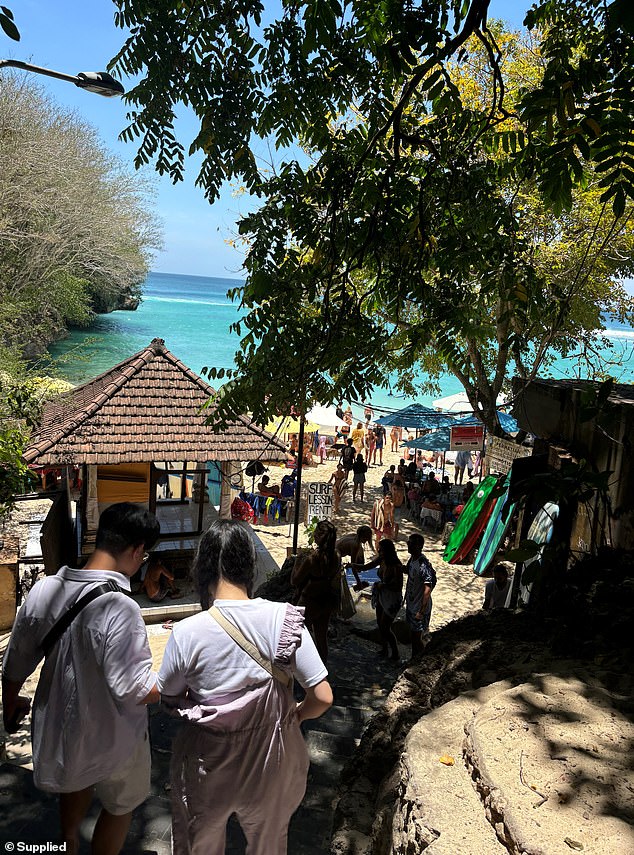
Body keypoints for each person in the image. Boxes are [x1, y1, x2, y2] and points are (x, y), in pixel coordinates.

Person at [159, 519, 333, 855]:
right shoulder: (285, 619)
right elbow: (322, 696)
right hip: (271, 763)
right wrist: (295, 716)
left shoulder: (187, 632)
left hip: (207, 767)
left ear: (203, 569)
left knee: (201, 846)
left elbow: (168, 694)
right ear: (250, 565)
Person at [2, 502, 161, 855]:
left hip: (63, 728)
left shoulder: (46, 590)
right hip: (116, 740)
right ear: (137, 551)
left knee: (74, 780)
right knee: (120, 806)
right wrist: (172, 679)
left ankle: (68, 843)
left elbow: (14, 665)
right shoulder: (121, 607)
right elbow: (133, 687)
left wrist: (9, 705)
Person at [292, 519, 341, 663]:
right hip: (326, 600)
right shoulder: (336, 556)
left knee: (298, 637)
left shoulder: (312, 559)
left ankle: (299, 670)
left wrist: (297, 561)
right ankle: (322, 671)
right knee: (321, 639)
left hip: (309, 601)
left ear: (319, 536)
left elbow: (294, 580)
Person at [366, 539, 404, 661]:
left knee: (385, 627)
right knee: (380, 624)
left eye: (381, 550)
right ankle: (384, 649)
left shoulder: (396, 566)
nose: (379, 552)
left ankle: (395, 653)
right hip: (382, 595)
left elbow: (398, 586)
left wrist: (384, 585)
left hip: (392, 598)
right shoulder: (381, 559)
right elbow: (369, 566)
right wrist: (355, 566)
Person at [404, 533, 437, 658]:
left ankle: (422, 661)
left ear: (419, 546)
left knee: (418, 639)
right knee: (413, 638)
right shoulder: (412, 559)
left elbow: (428, 590)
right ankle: (414, 660)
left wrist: (421, 611)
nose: (408, 545)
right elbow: (408, 570)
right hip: (412, 605)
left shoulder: (424, 565)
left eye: (410, 543)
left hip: (419, 608)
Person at [336, 525, 374, 590]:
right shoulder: (355, 545)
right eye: (366, 539)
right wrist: (359, 582)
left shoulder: (354, 536)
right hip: (335, 554)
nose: (366, 541)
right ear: (362, 537)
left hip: (335, 549)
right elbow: (353, 567)